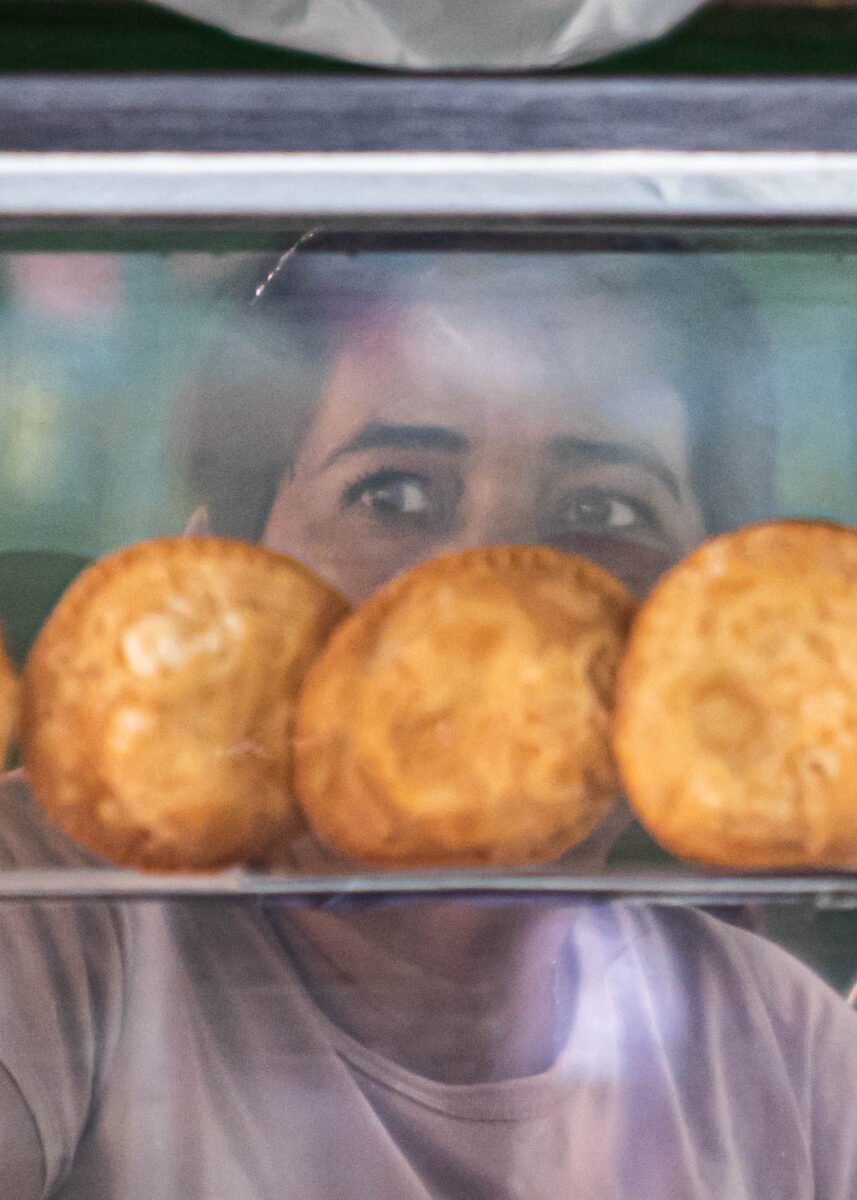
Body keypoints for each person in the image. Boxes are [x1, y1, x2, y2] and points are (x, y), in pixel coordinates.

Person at [0, 250, 855, 1199]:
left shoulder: (789, 1050)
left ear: (710, 622)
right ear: (223, 583)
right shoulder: (49, 902)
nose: (483, 586)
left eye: (602, 509)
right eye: (393, 494)